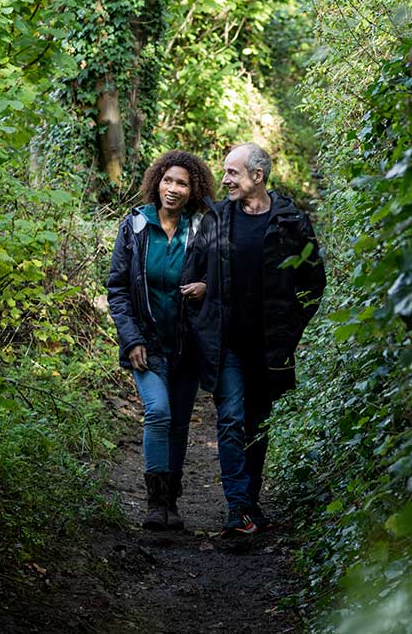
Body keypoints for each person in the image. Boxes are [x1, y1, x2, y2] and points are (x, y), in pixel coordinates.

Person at [189, 142, 326, 536]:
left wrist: (289, 329)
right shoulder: (216, 218)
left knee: (257, 423)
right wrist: (204, 299)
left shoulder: (290, 222)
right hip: (226, 343)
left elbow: (313, 282)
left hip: (268, 348)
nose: (225, 180)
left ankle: (249, 503)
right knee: (231, 417)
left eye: (232, 173)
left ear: (257, 176)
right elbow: (193, 273)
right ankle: (238, 508)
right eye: (226, 172)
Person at [107, 150, 214, 531]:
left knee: (180, 424)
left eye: (182, 183)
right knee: (158, 412)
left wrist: (207, 286)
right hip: (146, 345)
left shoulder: (202, 228)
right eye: (168, 181)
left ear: (193, 189)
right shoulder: (134, 225)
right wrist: (131, 338)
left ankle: (172, 503)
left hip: (187, 346)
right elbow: (118, 289)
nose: (173, 189)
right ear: (157, 183)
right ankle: (155, 502)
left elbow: (221, 278)